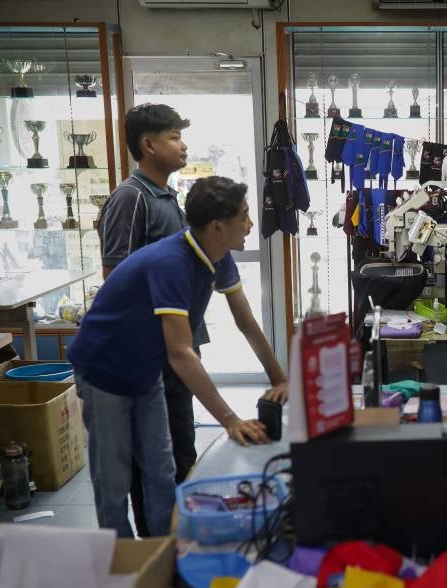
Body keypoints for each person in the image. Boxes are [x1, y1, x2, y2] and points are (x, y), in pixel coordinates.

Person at [69, 176, 288, 538]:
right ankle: (119, 557)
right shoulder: (171, 263)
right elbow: (181, 353)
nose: (250, 224)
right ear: (218, 227)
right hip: (104, 369)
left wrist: (280, 379)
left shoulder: (218, 256)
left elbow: (245, 321)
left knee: (160, 468)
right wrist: (230, 420)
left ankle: (163, 551)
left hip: (145, 368)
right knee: (113, 478)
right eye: (244, 216)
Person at [97, 103, 198, 536]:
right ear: (148, 144)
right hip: (149, 352)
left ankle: (177, 541)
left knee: (180, 453)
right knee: (154, 460)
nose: (183, 145)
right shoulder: (131, 197)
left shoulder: (166, 196)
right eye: (174, 137)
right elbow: (116, 275)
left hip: (174, 348)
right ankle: (155, 547)